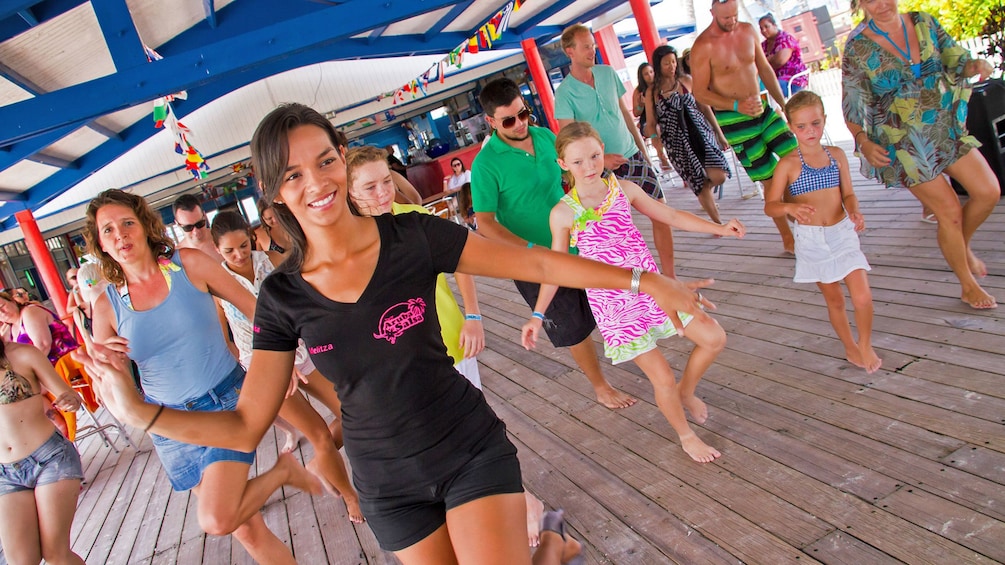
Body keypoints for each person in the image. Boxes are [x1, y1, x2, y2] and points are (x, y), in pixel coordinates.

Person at [77, 102, 713, 564]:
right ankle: (545, 547)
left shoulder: (412, 236)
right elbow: (247, 425)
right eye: (293, 175)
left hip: (467, 448)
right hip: (386, 482)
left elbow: (539, 261)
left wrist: (644, 281)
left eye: (324, 161)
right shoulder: (282, 296)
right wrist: (141, 412)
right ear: (272, 193)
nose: (316, 182)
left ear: (341, 160)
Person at [85, 189, 320, 565]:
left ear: (145, 226)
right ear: (100, 243)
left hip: (224, 404)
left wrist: (283, 357)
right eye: (108, 230)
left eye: (127, 223)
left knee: (218, 517)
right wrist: (103, 366)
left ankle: (281, 473)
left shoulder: (188, 265)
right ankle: (284, 473)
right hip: (172, 426)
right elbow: (118, 395)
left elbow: (259, 312)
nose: (120, 235)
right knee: (246, 528)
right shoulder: (106, 307)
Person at [345, 146, 549, 546]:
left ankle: (527, 499)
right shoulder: (351, 244)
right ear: (351, 193)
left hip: (450, 338)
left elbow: (462, 264)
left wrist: (473, 316)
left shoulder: (416, 220)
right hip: (403, 357)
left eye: (386, 181)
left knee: (474, 428)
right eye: (369, 187)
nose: (383, 193)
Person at [523, 122, 743, 463]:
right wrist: (538, 315)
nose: (590, 166)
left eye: (595, 156)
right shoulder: (563, 213)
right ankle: (686, 436)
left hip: (656, 290)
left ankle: (688, 390)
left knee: (714, 338)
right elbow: (555, 267)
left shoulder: (623, 190)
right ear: (563, 164)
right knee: (661, 378)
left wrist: (718, 228)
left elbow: (668, 214)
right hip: (614, 306)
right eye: (578, 161)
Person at [472, 77, 638, 410]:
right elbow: (485, 223)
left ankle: (635, 351)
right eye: (508, 120)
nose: (520, 124)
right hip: (532, 259)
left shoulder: (545, 136)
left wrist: (597, 170)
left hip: (575, 240)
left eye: (524, 113)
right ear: (491, 122)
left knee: (608, 298)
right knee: (570, 324)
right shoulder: (485, 165)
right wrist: (528, 248)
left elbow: (568, 174)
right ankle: (600, 385)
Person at [842, 3, 1000, 309]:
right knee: (949, 213)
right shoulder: (857, 46)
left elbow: (956, 60)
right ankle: (968, 285)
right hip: (902, 142)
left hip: (944, 127)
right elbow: (852, 104)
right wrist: (862, 140)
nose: (881, 4)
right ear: (859, 3)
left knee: (988, 191)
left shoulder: (923, 22)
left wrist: (974, 66)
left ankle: (960, 245)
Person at [210, 211, 363, 523]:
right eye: (229, 251)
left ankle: (323, 462)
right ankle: (350, 495)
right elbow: (223, 334)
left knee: (355, 410)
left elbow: (303, 299)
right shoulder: (216, 283)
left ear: (251, 236)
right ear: (216, 250)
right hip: (263, 366)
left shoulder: (271, 260)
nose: (238, 255)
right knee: (318, 435)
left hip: (302, 351)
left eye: (242, 245)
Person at [765, 91, 881, 373]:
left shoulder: (837, 156)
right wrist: (789, 210)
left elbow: (849, 194)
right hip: (812, 240)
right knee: (835, 299)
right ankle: (849, 346)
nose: (810, 131)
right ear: (791, 127)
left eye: (815, 123)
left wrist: (854, 210)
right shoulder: (788, 164)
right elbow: (770, 206)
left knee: (862, 295)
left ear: (824, 120)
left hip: (842, 232)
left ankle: (865, 343)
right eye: (802, 126)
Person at [555, 24, 677, 276]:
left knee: (662, 214)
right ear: (570, 51)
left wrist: (644, 152)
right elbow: (568, 141)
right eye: (586, 46)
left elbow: (625, 115)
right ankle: (633, 283)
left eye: (593, 44)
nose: (592, 50)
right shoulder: (565, 93)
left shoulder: (608, 73)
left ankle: (670, 277)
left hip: (632, 154)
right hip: (598, 169)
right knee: (614, 230)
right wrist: (601, 159)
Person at [691, 0, 798, 254]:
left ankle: (803, 220)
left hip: (762, 109)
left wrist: (785, 106)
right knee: (770, 180)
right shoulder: (703, 46)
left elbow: (765, 69)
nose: (731, 21)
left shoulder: (748, 31)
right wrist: (735, 104)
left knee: (796, 159)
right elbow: (700, 93)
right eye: (725, 17)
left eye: (735, 15)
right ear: (712, 12)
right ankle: (789, 238)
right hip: (734, 120)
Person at [0, 340, 85, 565]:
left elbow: (70, 396)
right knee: (20, 561)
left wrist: (70, 401)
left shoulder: (22, 354)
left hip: (50, 458)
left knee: (56, 554)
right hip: (5, 474)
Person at [645, 45, 732, 225]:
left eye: (673, 62)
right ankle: (717, 224)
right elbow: (652, 124)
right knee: (699, 185)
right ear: (658, 65)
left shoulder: (687, 80)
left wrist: (719, 133)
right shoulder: (652, 92)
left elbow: (705, 107)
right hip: (676, 143)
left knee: (718, 175)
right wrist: (658, 148)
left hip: (701, 134)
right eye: (666, 63)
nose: (672, 66)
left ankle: (707, 196)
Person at [0, 292, 78, 365]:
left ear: (12, 301)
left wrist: (28, 371)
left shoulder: (29, 312)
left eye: (2, 306)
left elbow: (43, 345)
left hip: (66, 363)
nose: (1, 312)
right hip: (46, 369)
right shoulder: (9, 328)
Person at [632, 62, 672, 172]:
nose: (650, 75)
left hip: (664, 118)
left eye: (651, 72)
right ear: (642, 76)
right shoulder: (639, 91)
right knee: (657, 129)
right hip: (647, 123)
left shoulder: (661, 86)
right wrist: (642, 105)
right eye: (646, 74)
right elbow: (636, 113)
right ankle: (661, 156)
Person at [758, 14, 808, 97]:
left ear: (774, 25)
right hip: (774, 79)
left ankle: (780, 108)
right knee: (758, 88)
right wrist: (769, 60)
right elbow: (758, 63)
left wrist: (766, 61)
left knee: (770, 90)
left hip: (793, 79)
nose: (763, 30)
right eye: (761, 28)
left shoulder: (786, 38)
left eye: (766, 27)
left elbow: (780, 61)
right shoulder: (763, 45)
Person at [172, 193, 223, 263]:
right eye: (188, 227)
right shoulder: (177, 257)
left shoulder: (223, 239)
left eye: (199, 224)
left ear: (204, 216)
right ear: (178, 224)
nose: (196, 232)